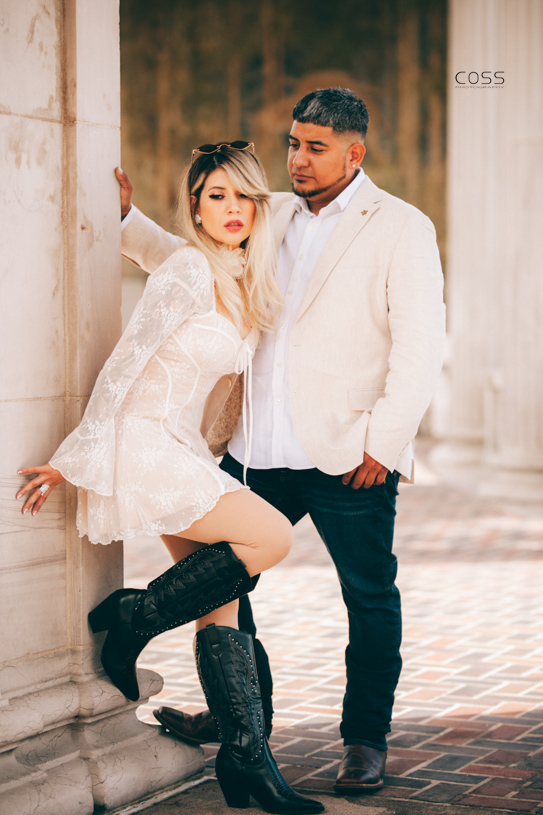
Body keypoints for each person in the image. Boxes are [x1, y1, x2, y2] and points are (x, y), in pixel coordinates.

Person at [119, 87, 446, 794]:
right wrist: (126, 221)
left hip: (349, 455)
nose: (297, 159)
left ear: (354, 154)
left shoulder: (400, 226)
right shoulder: (267, 211)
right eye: (294, 143)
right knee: (227, 581)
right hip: (254, 448)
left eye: (315, 148)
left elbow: (421, 346)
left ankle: (365, 739)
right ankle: (243, 719)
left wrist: (385, 442)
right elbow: (194, 261)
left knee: (369, 597)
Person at [16, 145, 324, 815]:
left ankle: (245, 759)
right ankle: (136, 613)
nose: (232, 208)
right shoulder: (188, 268)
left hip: (182, 447)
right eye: (216, 196)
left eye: (243, 196)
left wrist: (130, 221)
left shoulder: (242, 275)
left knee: (223, 598)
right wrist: (76, 455)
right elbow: (125, 362)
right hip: (146, 442)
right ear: (195, 206)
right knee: (270, 537)